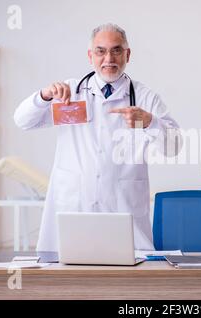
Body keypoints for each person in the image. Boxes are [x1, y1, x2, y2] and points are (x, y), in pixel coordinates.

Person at [14, 23, 181, 251]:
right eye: (101, 51)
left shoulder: (144, 97)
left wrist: (149, 122)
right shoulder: (69, 92)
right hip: (73, 207)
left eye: (116, 50)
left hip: (123, 209)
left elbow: (173, 146)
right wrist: (44, 96)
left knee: (125, 280)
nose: (108, 58)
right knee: (71, 279)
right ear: (90, 55)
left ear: (127, 54)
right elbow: (23, 121)